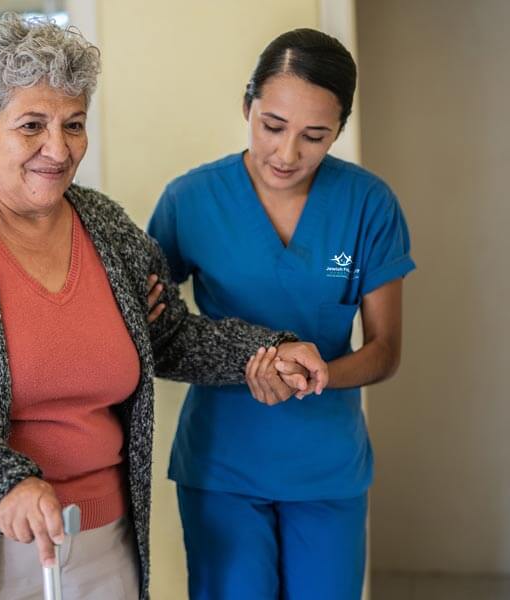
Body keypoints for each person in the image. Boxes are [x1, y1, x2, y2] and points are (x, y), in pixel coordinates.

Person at [0, 15, 328, 600]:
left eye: (73, 124)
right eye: (32, 125)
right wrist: (2, 484)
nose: (58, 147)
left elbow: (168, 336)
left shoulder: (107, 227)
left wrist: (266, 350)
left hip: (104, 543)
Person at [147, 28, 416, 600]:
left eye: (315, 136)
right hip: (222, 466)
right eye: (273, 126)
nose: (288, 153)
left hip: (327, 469)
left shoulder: (368, 205)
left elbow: (385, 348)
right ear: (248, 106)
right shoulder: (189, 201)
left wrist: (320, 373)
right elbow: (149, 327)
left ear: (338, 131)